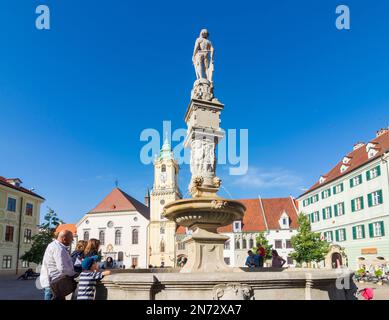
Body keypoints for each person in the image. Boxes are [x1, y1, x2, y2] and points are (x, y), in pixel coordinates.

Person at [39, 230, 76, 300]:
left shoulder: (53, 245)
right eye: (71, 239)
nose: (72, 241)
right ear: (64, 238)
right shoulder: (59, 249)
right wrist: (73, 273)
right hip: (55, 283)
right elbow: (62, 268)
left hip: (53, 282)